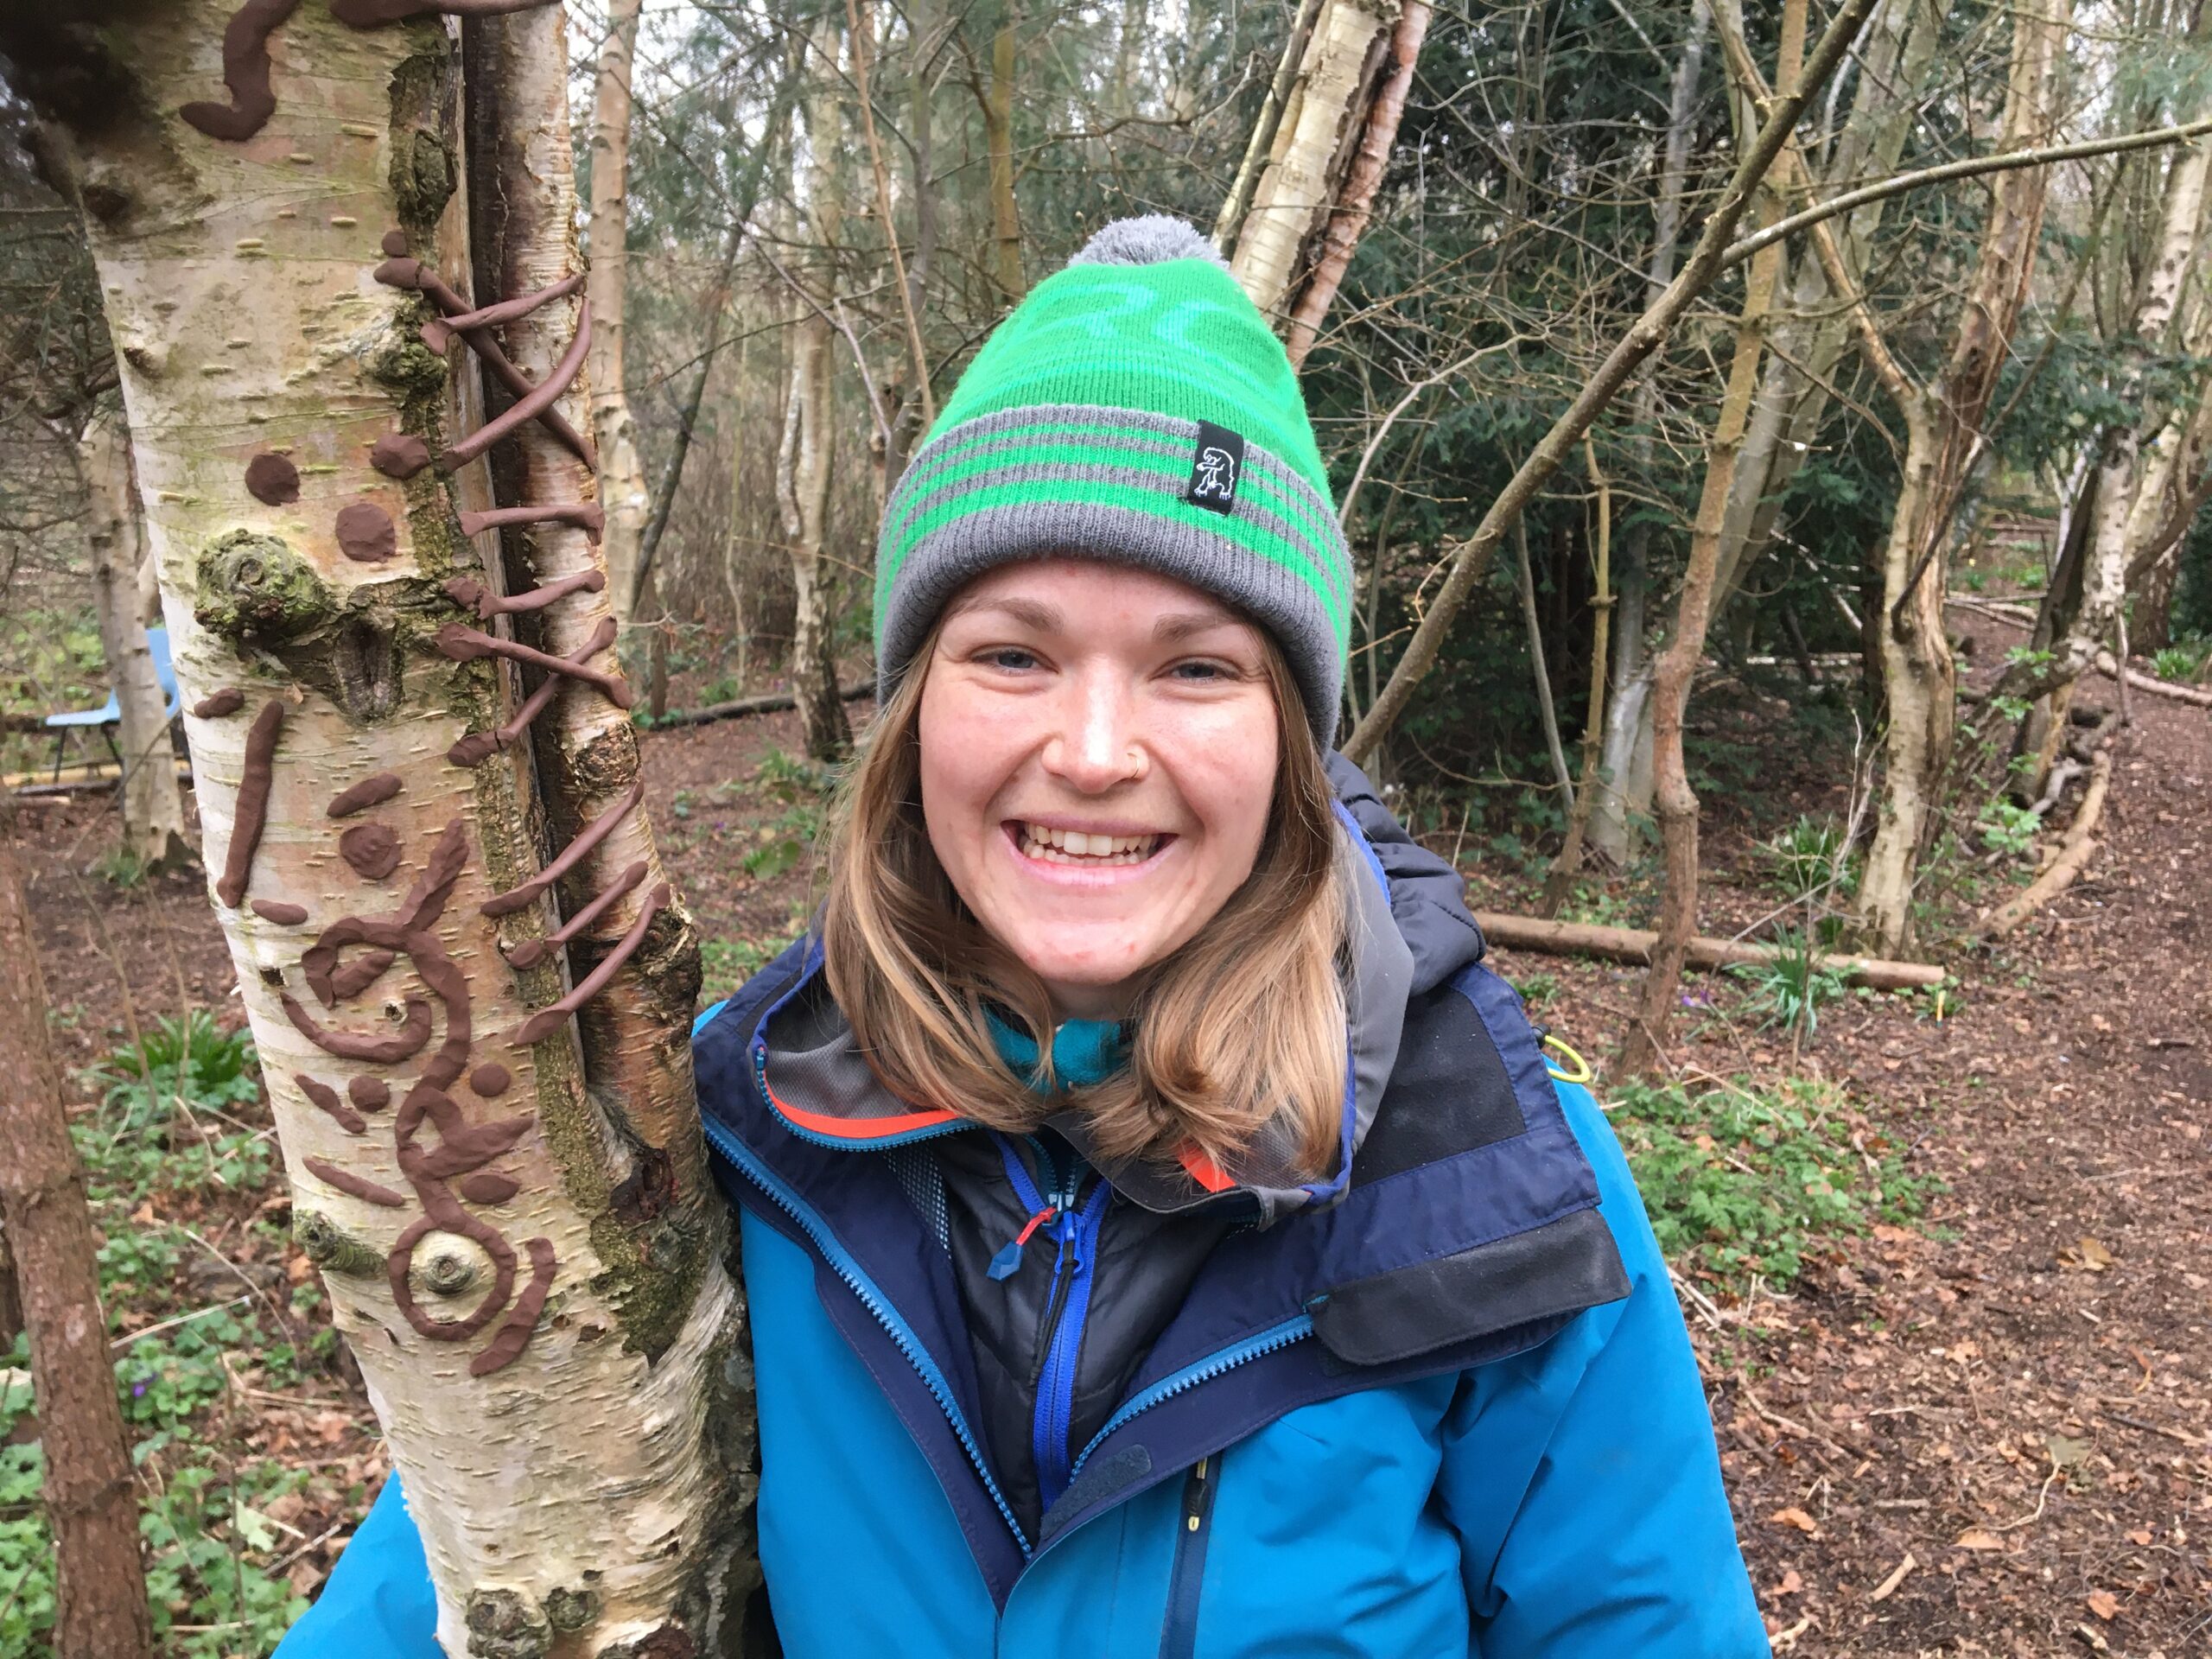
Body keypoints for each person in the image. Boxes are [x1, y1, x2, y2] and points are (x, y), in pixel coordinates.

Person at [278, 215, 1770, 1658]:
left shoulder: (1484, 1175)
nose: (1097, 750)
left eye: (1196, 666)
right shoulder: (730, 1135)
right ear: (914, 710)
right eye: (1013, 653)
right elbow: (488, 1546)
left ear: (1292, 744)